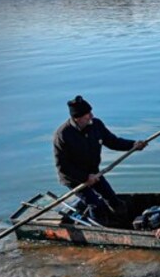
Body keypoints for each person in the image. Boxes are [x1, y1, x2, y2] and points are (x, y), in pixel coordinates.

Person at [53, 95, 146, 225]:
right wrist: (85, 177)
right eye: (87, 114)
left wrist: (133, 145)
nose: (91, 116)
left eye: (91, 112)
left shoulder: (96, 125)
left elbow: (113, 142)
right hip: (74, 179)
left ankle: (123, 222)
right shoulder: (63, 135)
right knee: (95, 205)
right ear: (77, 118)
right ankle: (100, 228)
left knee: (113, 199)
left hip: (94, 172)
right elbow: (63, 167)